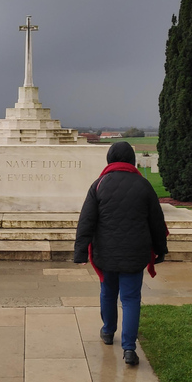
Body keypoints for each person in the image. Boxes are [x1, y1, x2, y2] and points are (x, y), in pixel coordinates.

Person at [74, 141, 168, 366]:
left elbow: (86, 221)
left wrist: (80, 252)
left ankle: (108, 331)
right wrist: (161, 249)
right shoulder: (143, 185)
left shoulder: (99, 185)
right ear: (131, 160)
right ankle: (129, 349)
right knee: (131, 298)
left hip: (106, 252)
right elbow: (156, 222)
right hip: (135, 253)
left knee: (108, 292)